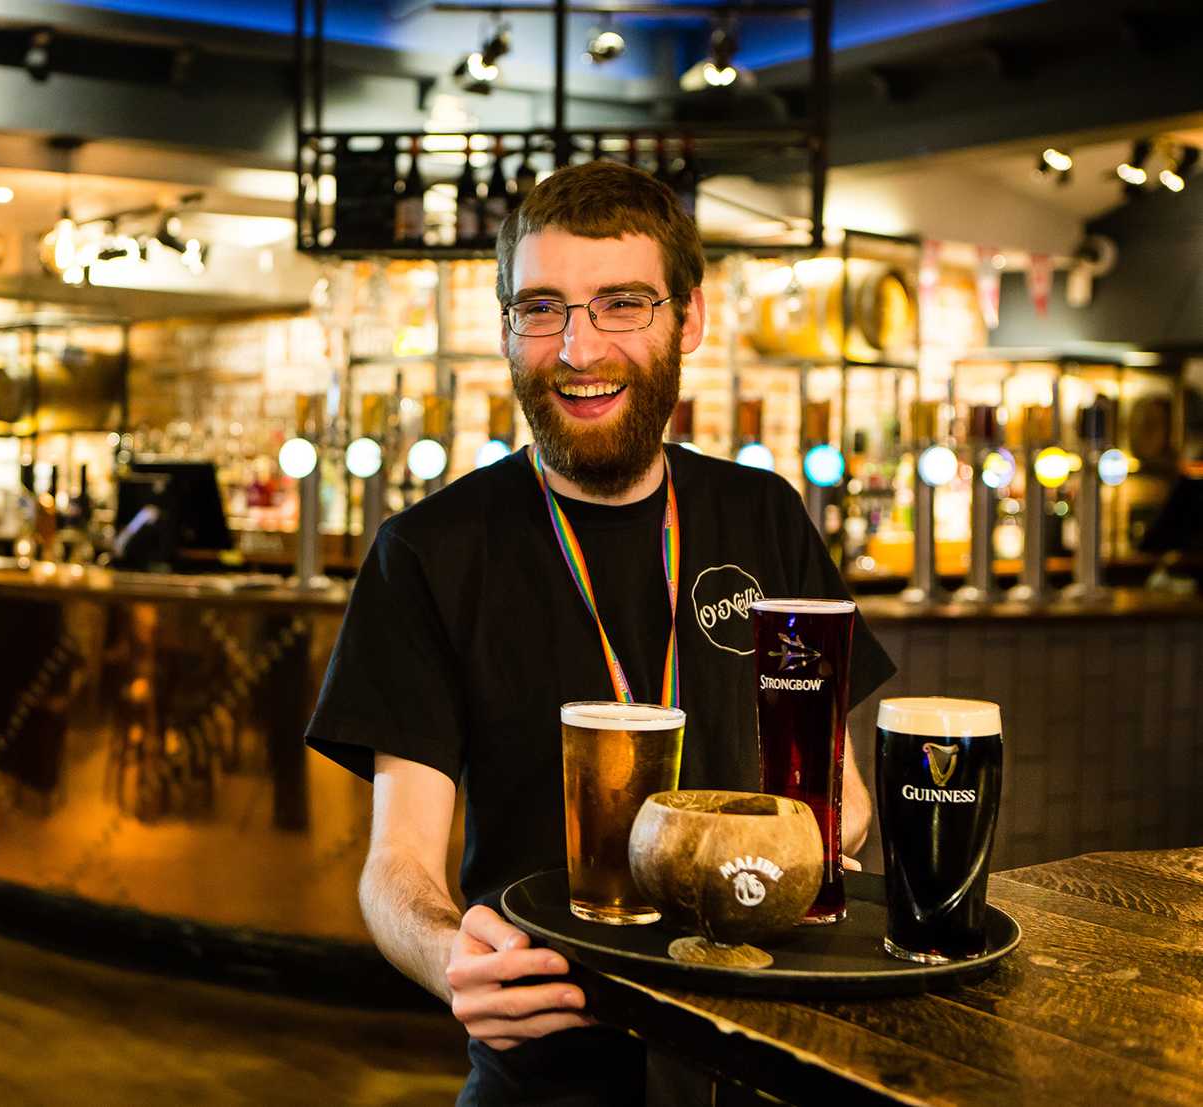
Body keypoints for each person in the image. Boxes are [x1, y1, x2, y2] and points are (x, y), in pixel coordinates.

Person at [305, 161, 896, 1106]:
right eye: (541, 307)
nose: (579, 348)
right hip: (552, 1069)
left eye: (621, 303)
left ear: (687, 320)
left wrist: (807, 854)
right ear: (506, 328)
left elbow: (841, 796)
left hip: (772, 1054)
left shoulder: (764, 515)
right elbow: (398, 864)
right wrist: (453, 953)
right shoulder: (427, 551)